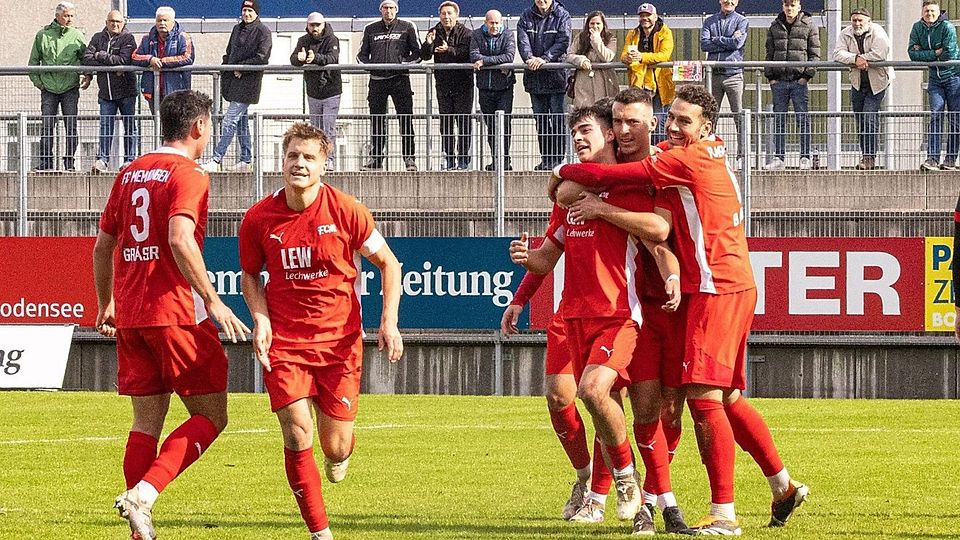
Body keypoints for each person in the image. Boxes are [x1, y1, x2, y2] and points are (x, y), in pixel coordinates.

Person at [551, 85, 809, 536]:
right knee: (707, 398)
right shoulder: (685, 155)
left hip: (711, 288)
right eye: (671, 118)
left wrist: (568, 178)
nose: (672, 127)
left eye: (681, 121)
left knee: (696, 399)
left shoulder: (674, 161)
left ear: (704, 126)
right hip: (685, 295)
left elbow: (655, 225)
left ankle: (721, 513)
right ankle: (780, 486)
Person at [92, 89, 251, 540]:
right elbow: (181, 237)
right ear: (200, 127)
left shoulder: (129, 173)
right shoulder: (191, 174)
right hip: (177, 311)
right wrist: (214, 300)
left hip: (133, 314)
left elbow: (103, 245)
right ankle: (145, 494)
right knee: (212, 415)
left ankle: (138, 527)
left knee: (145, 423)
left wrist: (106, 303)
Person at [238, 122, 403, 540]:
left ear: (324, 165)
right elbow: (250, 277)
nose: (299, 164)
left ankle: (341, 452)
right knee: (296, 431)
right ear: (282, 161)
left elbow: (390, 264)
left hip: (340, 346)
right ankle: (320, 532)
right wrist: (261, 319)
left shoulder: (347, 210)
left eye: (309, 157)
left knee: (335, 445)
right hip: (285, 344)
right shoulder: (259, 217)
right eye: (293, 155)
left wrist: (388, 321)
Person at [562, 87, 689, 534]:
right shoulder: (604, 171)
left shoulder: (663, 167)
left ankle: (656, 499)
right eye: (616, 121)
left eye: (632, 121)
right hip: (631, 311)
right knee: (614, 402)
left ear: (652, 123)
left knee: (668, 408)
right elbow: (562, 190)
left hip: (669, 304)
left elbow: (659, 230)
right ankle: (641, 502)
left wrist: (603, 206)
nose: (623, 129)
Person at [502, 214, 615, 524]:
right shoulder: (567, 195)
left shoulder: (622, 188)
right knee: (558, 397)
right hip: (571, 312)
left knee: (600, 397)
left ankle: (599, 498)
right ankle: (585, 478)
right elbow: (549, 254)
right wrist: (520, 299)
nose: (580, 161)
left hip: (613, 313)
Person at [203, 0, 272, 173]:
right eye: (244, 10)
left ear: (256, 12)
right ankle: (246, 159)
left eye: (250, 10)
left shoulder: (263, 31)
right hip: (233, 82)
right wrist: (226, 69)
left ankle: (216, 159)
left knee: (229, 120)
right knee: (241, 122)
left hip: (249, 84)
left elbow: (262, 57)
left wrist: (242, 67)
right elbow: (229, 53)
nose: (246, 14)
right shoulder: (237, 29)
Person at [357, 0, 421, 172]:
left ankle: (409, 159)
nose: (388, 11)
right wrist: (371, 66)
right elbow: (361, 56)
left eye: (391, 8)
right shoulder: (370, 29)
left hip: (400, 79)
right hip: (377, 81)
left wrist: (402, 63)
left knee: (406, 120)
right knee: (377, 121)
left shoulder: (407, 26)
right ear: (380, 10)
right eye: (385, 8)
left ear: (396, 10)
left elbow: (418, 53)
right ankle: (376, 159)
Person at [29, 1, 91, 172]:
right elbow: (33, 63)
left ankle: (69, 162)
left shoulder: (77, 35)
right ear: (57, 16)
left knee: (71, 125)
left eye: (71, 16)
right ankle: (46, 162)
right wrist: (39, 83)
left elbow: (86, 58)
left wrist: (88, 75)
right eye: (66, 16)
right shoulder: (42, 35)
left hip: (70, 87)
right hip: (48, 88)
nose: (69, 19)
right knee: (47, 125)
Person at [833, 7, 893, 171]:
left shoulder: (878, 32)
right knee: (860, 120)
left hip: (878, 82)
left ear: (868, 21)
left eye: (860, 20)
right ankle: (865, 154)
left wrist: (860, 59)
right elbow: (837, 54)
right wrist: (856, 59)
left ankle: (869, 157)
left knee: (869, 117)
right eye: (854, 20)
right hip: (857, 82)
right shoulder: (846, 33)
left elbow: (880, 53)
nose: (857, 23)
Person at [763, 0, 820, 171]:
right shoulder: (775, 26)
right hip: (779, 81)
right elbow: (769, 53)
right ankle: (779, 158)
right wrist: (771, 77)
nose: (789, 9)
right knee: (779, 120)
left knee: (802, 119)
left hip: (798, 81)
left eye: (793, 5)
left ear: (799, 7)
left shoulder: (809, 25)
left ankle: (804, 157)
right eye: (787, 5)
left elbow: (815, 54)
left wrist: (806, 76)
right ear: (783, 7)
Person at [517, 0, 572, 170]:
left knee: (557, 120)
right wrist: (530, 59)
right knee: (540, 122)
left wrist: (544, 59)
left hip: (556, 78)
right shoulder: (526, 16)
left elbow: (563, 41)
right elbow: (523, 42)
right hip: (535, 79)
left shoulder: (562, 15)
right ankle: (546, 159)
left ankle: (558, 160)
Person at [83, 9, 138, 174]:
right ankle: (103, 160)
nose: (115, 24)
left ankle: (130, 159)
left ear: (123, 23)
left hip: (126, 91)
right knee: (105, 126)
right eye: (112, 21)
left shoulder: (128, 38)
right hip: (106, 93)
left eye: (118, 22)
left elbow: (123, 60)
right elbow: (86, 58)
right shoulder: (97, 37)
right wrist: (109, 63)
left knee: (130, 126)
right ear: (106, 22)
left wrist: (100, 56)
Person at [421, 1, 473, 170]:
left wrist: (448, 50)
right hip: (443, 85)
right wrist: (428, 44)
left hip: (463, 84)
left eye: (449, 13)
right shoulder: (434, 32)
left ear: (456, 15)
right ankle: (449, 158)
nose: (446, 17)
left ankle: (464, 160)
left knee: (463, 123)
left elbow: (467, 53)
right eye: (443, 14)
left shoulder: (466, 33)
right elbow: (425, 56)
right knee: (446, 124)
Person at [909, 1, 960, 171]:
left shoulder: (947, 27)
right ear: (922, 12)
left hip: (953, 76)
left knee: (955, 118)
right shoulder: (918, 27)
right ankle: (932, 159)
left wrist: (927, 54)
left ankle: (951, 159)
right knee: (935, 115)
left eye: (932, 11)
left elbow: (949, 54)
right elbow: (912, 54)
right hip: (934, 79)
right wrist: (935, 52)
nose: (929, 14)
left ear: (939, 13)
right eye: (926, 11)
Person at [291, 12, 342, 172]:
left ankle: (329, 160)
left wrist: (315, 58)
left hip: (331, 89)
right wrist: (299, 59)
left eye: (317, 25)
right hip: (313, 90)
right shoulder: (303, 40)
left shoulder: (332, 39)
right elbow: (293, 58)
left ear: (323, 25)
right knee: (315, 130)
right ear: (307, 25)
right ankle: (317, 160)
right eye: (312, 25)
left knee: (328, 128)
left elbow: (332, 58)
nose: (315, 28)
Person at [700, 0, 748, 167]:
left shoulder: (742, 21)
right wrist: (727, 40)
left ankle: (742, 157)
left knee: (739, 116)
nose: (728, 1)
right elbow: (704, 45)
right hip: (713, 75)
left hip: (734, 74)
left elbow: (738, 43)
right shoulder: (709, 21)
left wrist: (716, 40)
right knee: (710, 117)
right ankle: (709, 154)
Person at [470, 9, 516, 171]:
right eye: (491, 23)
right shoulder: (476, 35)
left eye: (497, 23)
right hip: (484, 87)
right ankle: (496, 159)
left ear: (501, 22)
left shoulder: (508, 35)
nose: (494, 26)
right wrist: (488, 62)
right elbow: (474, 55)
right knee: (491, 126)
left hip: (504, 87)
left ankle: (505, 160)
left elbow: (509, 56)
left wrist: (485, 61)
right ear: (485, 22)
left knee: (503, 125)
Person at [622, 3, 674, 145]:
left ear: (655, 16)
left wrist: (641, 58)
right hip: (638, 85)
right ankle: (643, 156)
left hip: (660, 86)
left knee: (658, 122)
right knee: (639, 121)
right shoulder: (633, 33)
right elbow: (624, 54)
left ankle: (659, 154)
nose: (645, 18)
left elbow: (664, 55)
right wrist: (626, 58)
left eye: (648, 15)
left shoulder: (665, 32)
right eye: (642, 15)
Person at [132, 6, 196, 114]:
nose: (162, 23)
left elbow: (188, 57)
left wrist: (162, 62)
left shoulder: (183, 37)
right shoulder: (147, 38)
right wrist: (150, 59)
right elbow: (134, 56)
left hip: (176, 91)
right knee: (157, 123)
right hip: (153, 90)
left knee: (176, 125)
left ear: (173, 21)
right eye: (159, 20)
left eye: (165, 20)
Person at [566, 11, 619, 109]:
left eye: (598, 23)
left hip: (604, 80)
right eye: (592, 23)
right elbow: (569, 55)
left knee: (604, 111)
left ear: (603, 25)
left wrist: (596, 40)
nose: (595, 26)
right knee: (585, 112)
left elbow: (607, 57)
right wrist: (581, 60)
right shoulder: (580, 37)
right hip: (584, 81)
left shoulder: (611, 38)